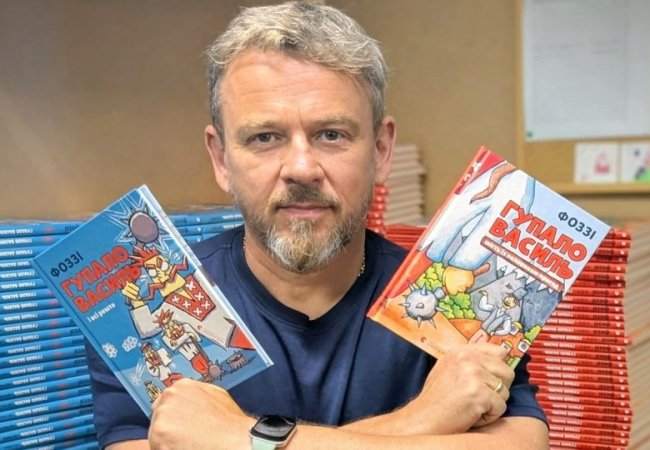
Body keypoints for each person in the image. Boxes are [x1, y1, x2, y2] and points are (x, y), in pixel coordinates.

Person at [86, 2, 549, 449]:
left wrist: (236, 440)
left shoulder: (451, 291)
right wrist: (420, 421)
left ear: (381, 150)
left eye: (331, 134)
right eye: (265, 137)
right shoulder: (150, 300)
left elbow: (523, 442)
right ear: (221, 158)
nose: (302, 168)